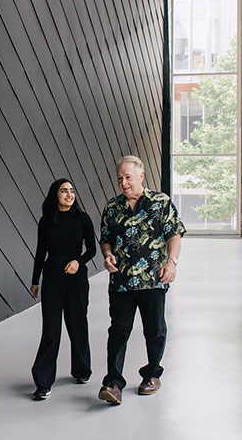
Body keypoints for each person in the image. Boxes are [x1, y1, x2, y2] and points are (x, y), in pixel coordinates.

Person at [98, 155, 186, 405]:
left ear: (141, 176)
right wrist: (107, 255)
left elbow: (175, 234)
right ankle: (113, 383)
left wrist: (172, 262)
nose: (123, 183)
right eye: (119, 178)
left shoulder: (161, 202)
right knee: (118, 332)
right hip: (121, 282)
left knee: (154, 330)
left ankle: (151, 375)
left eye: (127, 177)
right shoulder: (112, 207)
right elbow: (105, 238)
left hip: (153, 280)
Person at [30, 178, 96, 401]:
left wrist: (78, 261)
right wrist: (35, 280)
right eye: (64, 191)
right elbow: (40, 252)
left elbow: (92, 250)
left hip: (76, 280)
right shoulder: (46, 220)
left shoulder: (82, 219)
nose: (69, 194)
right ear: (55, 195)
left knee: (77, 325)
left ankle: (82, 371)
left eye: (71, 190)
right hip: (52, 280)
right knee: (51, 329)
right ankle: (43, 382)